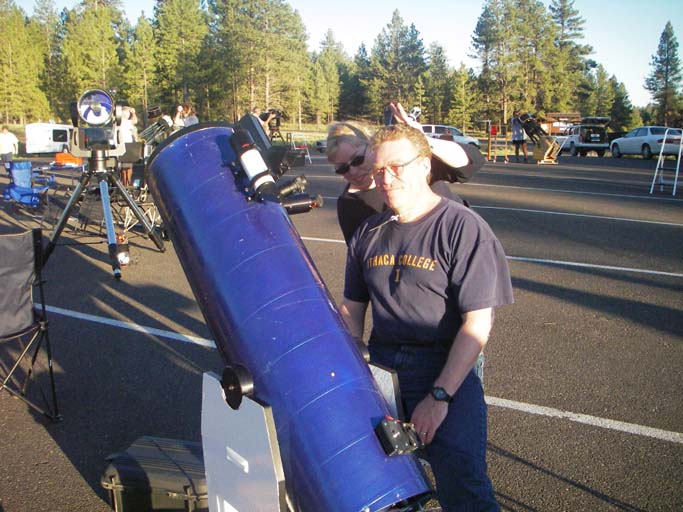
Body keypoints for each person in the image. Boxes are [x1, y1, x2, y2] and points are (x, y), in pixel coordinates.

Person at [339, 123, 513, 511]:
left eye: (397, 167)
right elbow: (352, 308)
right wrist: (352, 365)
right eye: (380, 170)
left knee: (462, 481)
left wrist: (439, 396)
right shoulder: (368, 232)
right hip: (382, 368)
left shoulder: (463, 228)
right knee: (370, 477)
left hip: (442, 366)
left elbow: (477, 325)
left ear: (424, 167)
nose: (387, 178)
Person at [327, 102, 484, 245]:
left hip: (461, 241)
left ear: (372, 145)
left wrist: (424, 141)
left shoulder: (411, 163)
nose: (352, 171)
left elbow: (472, 161)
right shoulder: (349, 204)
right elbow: (361, 255)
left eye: (357, 160)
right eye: (342, 168)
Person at [119, 106, 138, 187]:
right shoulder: (125, 122)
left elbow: (135, 121)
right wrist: (133, 112)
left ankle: (126, 184)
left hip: (128, 146)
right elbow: (135, 121)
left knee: (127, 168)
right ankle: (125, 185)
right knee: (125, 168)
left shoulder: (126, 122)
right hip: (124, 146)